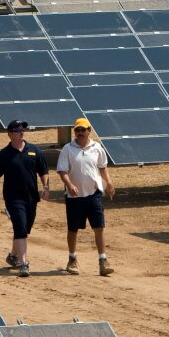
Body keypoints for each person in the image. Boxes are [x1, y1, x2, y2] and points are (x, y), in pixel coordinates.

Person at [0, 120, 50, 278]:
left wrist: (46, 187)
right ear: (10, 134)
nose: (22, 132)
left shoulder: (34, 150)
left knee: (25, 228)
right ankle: (24, 263)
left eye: (23, 130)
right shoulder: (4, 154)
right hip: (13, 198)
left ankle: (13, 256)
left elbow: (43, 170)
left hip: (31, 197)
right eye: (19, 130)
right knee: (20, 227)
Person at [56, 118, 116, 277]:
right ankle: (72, 259)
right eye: (77, 130)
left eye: (83, 130)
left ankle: (103, 261)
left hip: (94, 194)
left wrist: (109, 183)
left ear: (89, 130)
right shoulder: (67, 149)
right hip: (74, 196)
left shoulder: (97, 148)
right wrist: (69, 185)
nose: (80, 133)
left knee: (99, 227)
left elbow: (102, 167)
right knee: (73, 229)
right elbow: (62, 171)